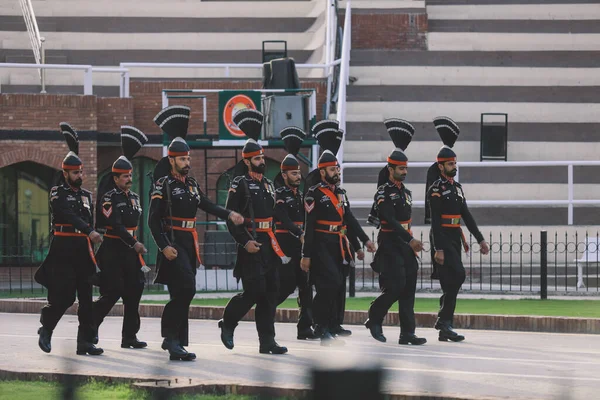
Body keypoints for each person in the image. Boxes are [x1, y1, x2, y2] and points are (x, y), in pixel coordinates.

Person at [149, 105, 244, 360]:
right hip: (173, 243)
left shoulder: (191, 184)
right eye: (182, 159)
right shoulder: (163, 185)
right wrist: (163, 246)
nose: (187, 163)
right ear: (171, 160)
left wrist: (229, 214)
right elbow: (152, 220)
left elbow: (207, 204)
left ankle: (176, 344)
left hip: (190, 244)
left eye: (188, 159)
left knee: (183, 292)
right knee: (188, 289)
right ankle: (170, 338)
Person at [219, 109, 290, 355]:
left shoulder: (268, 184)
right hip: (251, 243)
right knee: (255, 291)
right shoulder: (239, 183)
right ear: (247, 160)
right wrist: (244, 242)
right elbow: (231, 219)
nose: (262, 161)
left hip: (269, 243)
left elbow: (276, 214)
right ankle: (228, 321)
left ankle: (267, 341)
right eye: (257, 159)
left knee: (271, 292)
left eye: (262, 157)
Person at [300, 120, 376, 346]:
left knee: (335, 284)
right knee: (329, 283)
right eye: (333, 169)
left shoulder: (341, 193)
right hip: (321, 244)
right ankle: (320, 326)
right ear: (323, 172)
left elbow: (349, 219)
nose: (337, 173)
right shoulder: (314, 194)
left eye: (338, 169)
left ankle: (326, 327)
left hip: (338, 244)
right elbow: (309, 227)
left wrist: (363, 241)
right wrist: (306, 255)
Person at [34, 123, 104, 356]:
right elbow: (68, 215)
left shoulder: (86, 195)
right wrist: (89, 230)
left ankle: (84, 342)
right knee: (64, 296)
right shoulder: (57, 192)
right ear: (65, 173)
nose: (80, 176)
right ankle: (47, 326)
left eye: (81, 172)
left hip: (82, 249)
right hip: (63, 248)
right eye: (75, 173)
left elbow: (89, 220)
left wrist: (93, 234)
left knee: (86, 296)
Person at [427, 117, 490, 342]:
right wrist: (438, 248)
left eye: (455, 163)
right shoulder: (436, 189)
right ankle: (444, 321)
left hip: (455, 235)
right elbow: (434, 220)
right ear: (441, 166)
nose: (455, 167)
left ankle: (445, 326)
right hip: (442, 236)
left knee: (451, 282)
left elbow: (467, 215)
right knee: (458, 276)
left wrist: (480, 239)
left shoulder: (457, 188)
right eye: (450, 164)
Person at [364, 118, 426, 345]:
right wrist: (410, 240)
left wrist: (410, 241)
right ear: (390, 169)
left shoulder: (407, 192)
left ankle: (407, 333)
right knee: (396, 286)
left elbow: (406, 221)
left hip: (405, 245)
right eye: (401, 168)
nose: (404, 172)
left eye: (406, 168)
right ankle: (375, 316)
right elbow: (389, 219)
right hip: (391, 243)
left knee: (409, 287)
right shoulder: (382, 193)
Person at [93, 126, 150, 349]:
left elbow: (135, 225)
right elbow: (115, 226)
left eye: (130, 175)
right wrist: (134, 243)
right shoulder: (109, 198)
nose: (129, 179)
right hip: (114, 251)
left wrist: (135, 244)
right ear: (115, 178)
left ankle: (129, 337)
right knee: (112, 293)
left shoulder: (134, 198)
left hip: (130, 254)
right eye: (125, 176)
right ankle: (90, 327)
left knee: (134, 292)